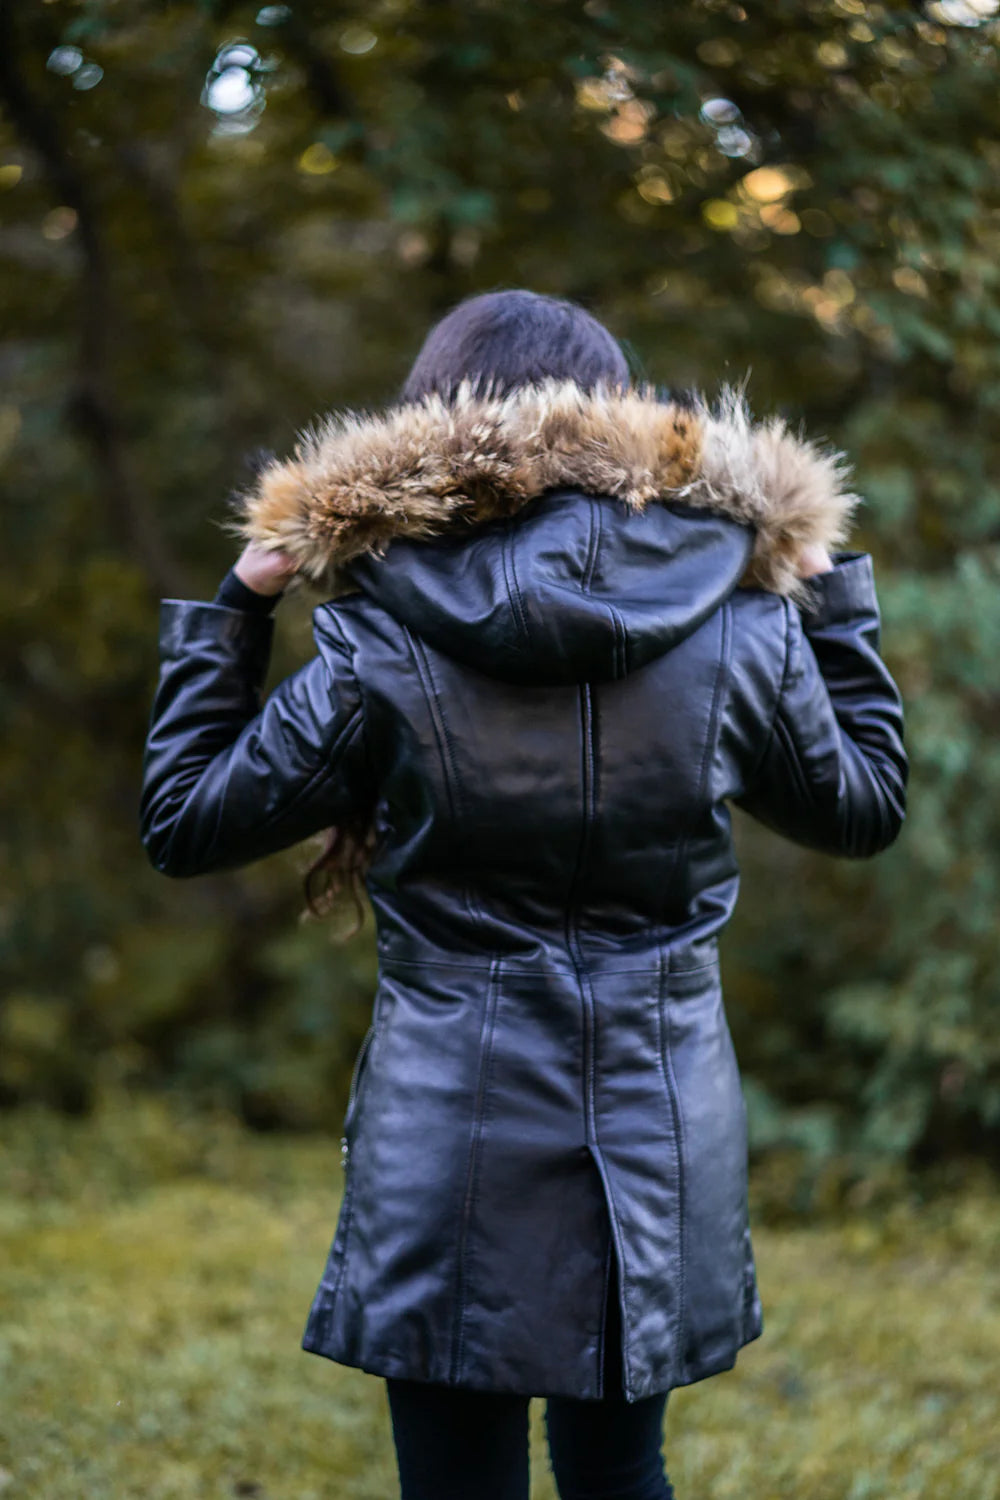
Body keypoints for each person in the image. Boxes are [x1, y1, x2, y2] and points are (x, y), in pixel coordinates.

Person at [139, 289, 907, 1500]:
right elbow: (863, 808)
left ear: (430, 422)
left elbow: (185, 821)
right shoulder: (744, 621)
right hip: (658, 1128)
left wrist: (241, 602)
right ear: (623, 416)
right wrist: (833, 598)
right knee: (621, 1475)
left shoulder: (379, 633)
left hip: (449, 1128)